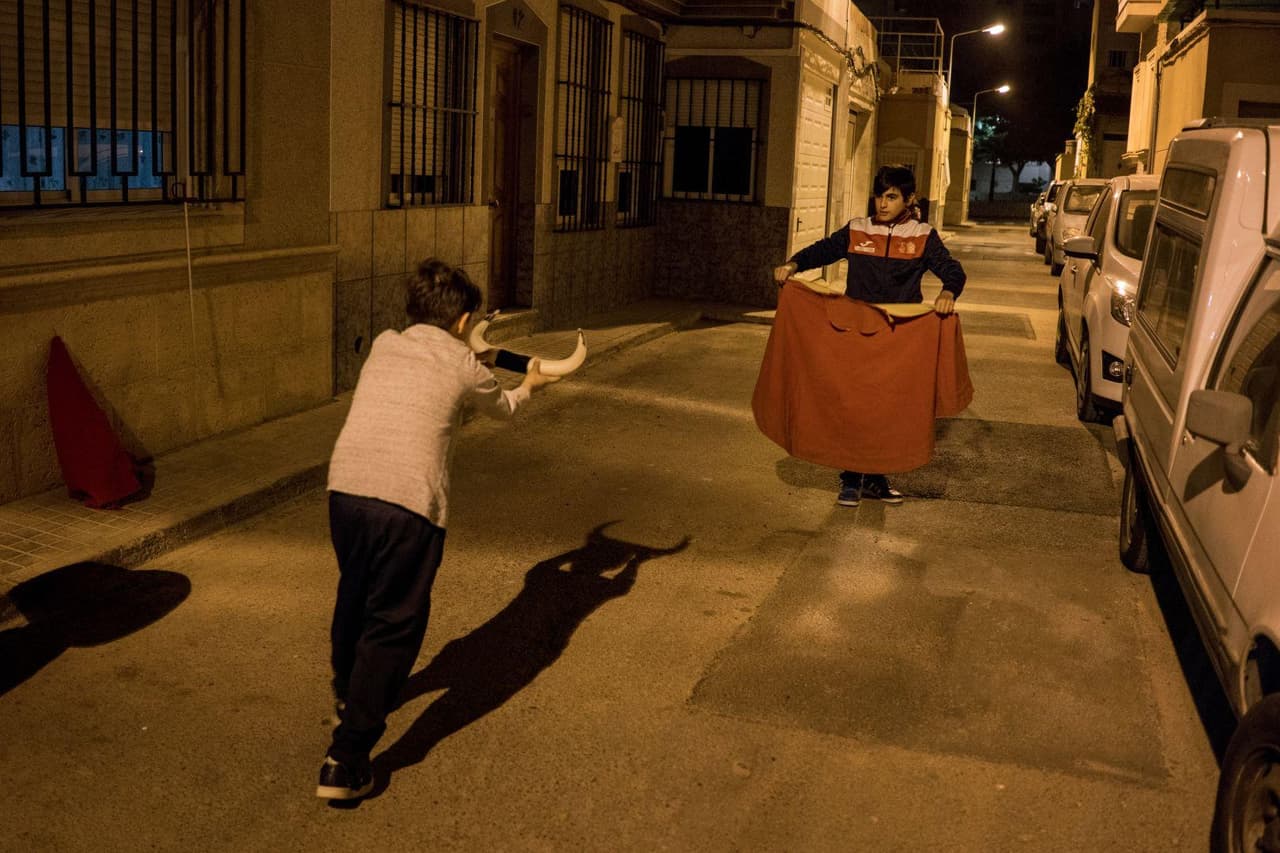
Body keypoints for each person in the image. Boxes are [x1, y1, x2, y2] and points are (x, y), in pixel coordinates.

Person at [317, 259, 558, 800]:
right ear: (464, 320)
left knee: (354, 596)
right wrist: (531, 383)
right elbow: (504, 408)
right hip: (408, 505)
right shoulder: (465, 365)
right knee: (393, 625)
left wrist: (471, 348)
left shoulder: (385, 344)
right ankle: (345, 761)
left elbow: (433, 366)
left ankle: (346, 691)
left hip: (346, 492)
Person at [772, 165, 966, 508]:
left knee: (887, 410)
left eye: (892, 196)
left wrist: (948, 291)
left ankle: (875, 479)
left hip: (898, 339)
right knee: (853, 406)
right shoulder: (858, 229)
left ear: (909, 199)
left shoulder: (923, 235)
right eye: (879, 196)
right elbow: (823, 249)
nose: (883, 203)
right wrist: (793, 264)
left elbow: (952, 269)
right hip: (856, 334)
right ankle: (850, 479)